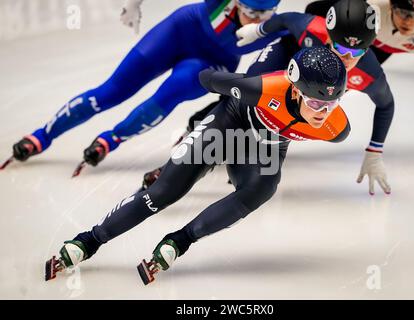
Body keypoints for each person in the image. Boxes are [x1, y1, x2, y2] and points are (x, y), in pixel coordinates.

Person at [45, 46, 350, 284]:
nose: (323, 112)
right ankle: (90, 240)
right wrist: (223, 81)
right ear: (295, 90)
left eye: (332, 103)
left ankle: (180, 241)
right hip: (229, 122)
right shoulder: (265, 88)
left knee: (264, 187)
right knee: (164, 192)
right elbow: (208, 80)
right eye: (315, 103)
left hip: (262, 149)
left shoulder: (336, 128)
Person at [142, 0, 395, 195]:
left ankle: (234, 150)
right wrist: (259, 30)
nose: (347, 58)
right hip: (284, 59)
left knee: (274, 122)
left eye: (357, 51)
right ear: (327, 37)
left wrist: (375, 151)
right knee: (243, 101)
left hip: (306, 90)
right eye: (339, 48)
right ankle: (185, 149)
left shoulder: (369, 73)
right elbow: (285, 20)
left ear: (369, 48)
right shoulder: (310, 28)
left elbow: (386, 104)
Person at [1, 0, 284, 174]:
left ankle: (111, 139)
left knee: (171, 91)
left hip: (211, 63)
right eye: (250, 11)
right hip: (180, 29)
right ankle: (41, 136)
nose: (258, 19)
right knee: (111, 91)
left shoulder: (283, 25)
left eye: (266, 13)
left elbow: (319, 35)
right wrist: (135, 2)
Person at [304, 0, 414, 157]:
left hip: (375, 51)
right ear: (391, 7)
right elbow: (313, 9)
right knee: (327, 87)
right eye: (402, 12)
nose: (408, 21)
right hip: (361, 48)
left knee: (338, 89)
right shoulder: (371, 11)